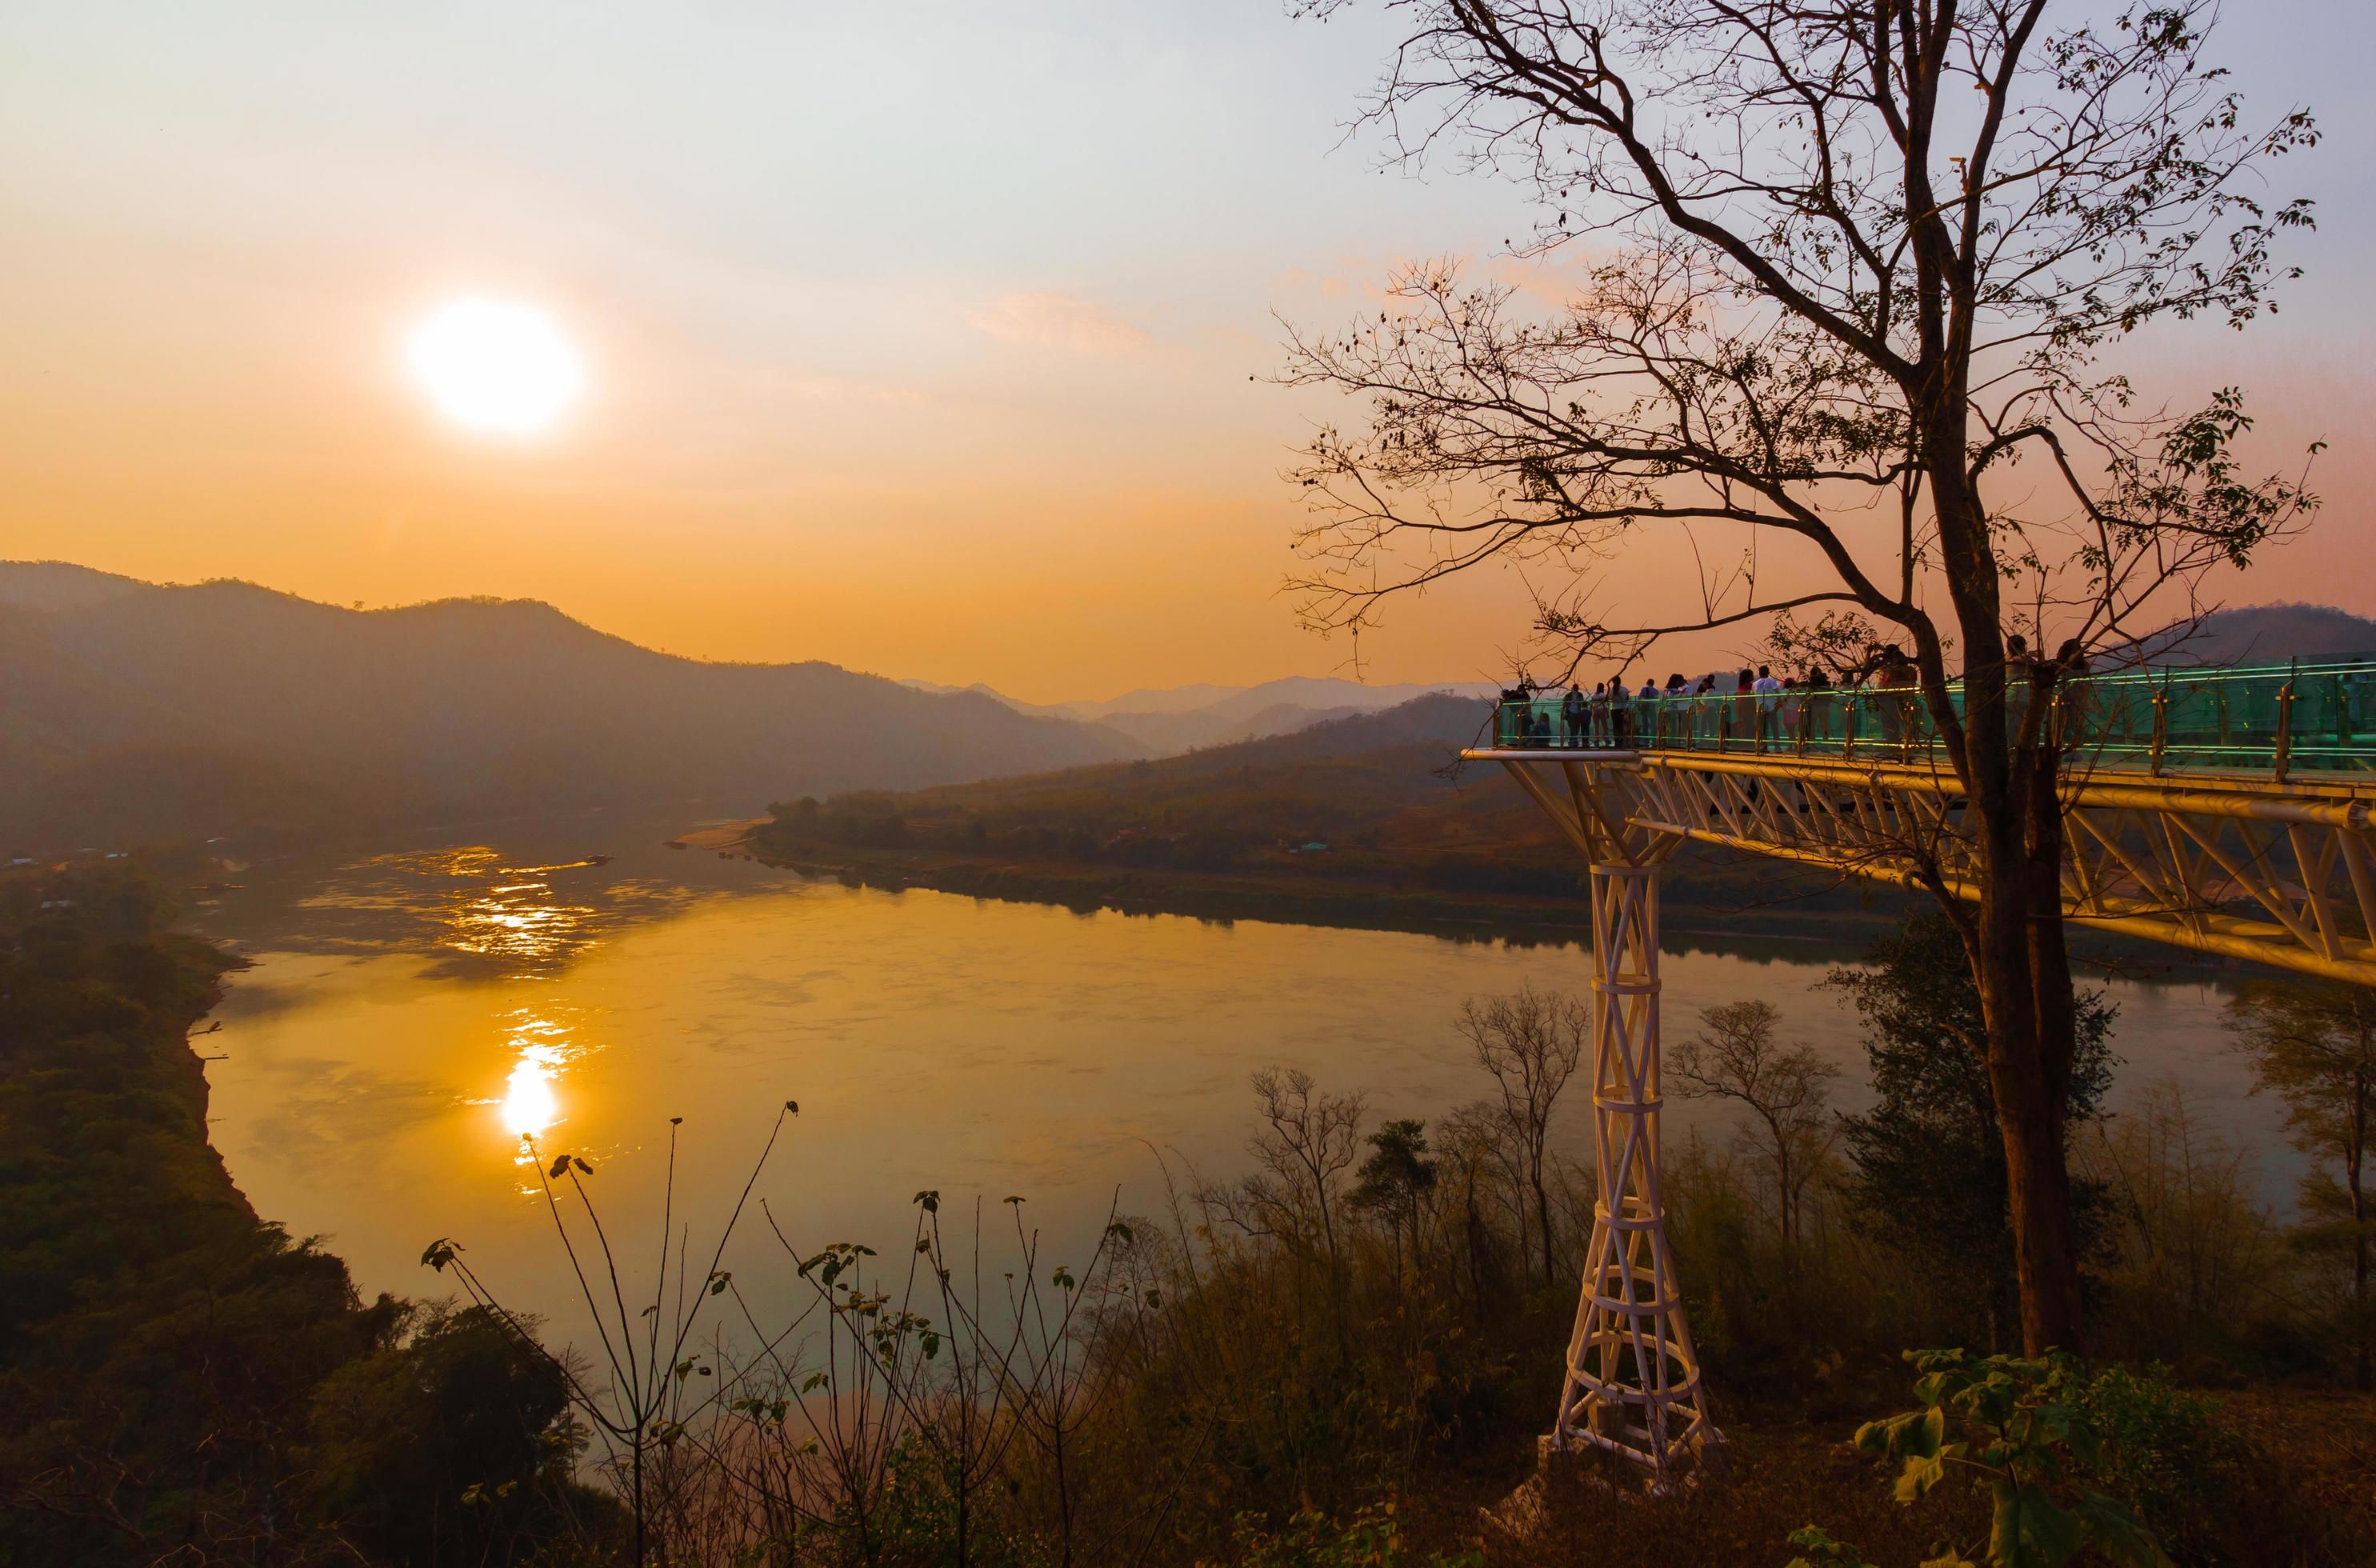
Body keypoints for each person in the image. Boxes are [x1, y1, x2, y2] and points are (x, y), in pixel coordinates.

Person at [1562, 682, 1587, 748]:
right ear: (1573, 688)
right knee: (1572, 726)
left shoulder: (1580, 695)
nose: (1576, 690)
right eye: (1575, 689)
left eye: (1577, 689)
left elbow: (1582, 701)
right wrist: (1563, 712)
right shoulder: (1568, 695)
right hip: (1570, 712)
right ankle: (1573, 740)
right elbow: (1564, 703)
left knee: (1577, 727)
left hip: (1578, 712)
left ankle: (1573, 740)